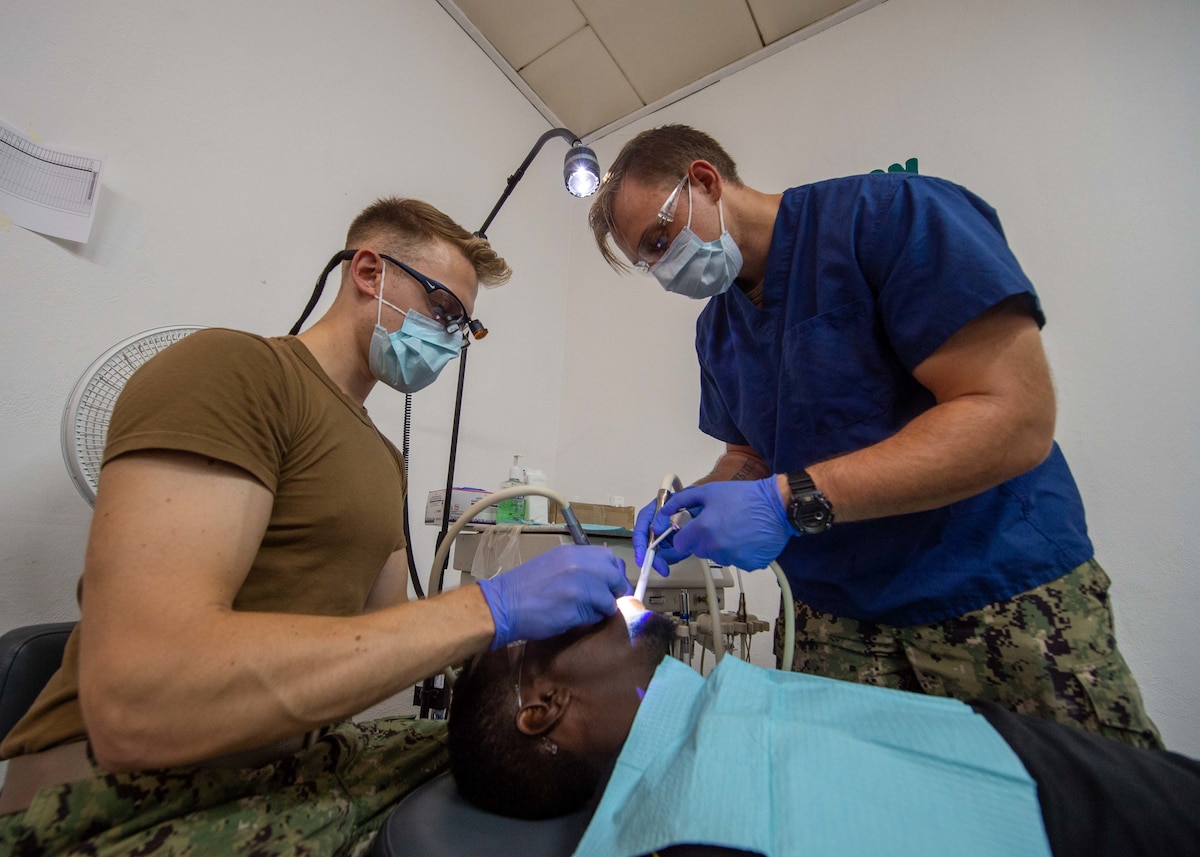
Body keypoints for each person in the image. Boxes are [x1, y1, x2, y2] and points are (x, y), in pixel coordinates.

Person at [0, 197, 629, 853]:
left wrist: (539, 642)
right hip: (116, 796)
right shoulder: (236, 373)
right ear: (368, 272)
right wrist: (491, 606)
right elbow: (140, 699)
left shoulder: (385, 461)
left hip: (282, 769)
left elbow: (380, 641)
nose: (450, 338)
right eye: (444, 310)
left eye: (464, 327)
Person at [588, 124, 1160, 747]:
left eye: (661, 238)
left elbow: (1012, 415)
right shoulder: (716, 332)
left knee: (1078, 814)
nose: (666, 269)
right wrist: (689, 508)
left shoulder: (890, 217)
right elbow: (750, 455)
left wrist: (787, 501)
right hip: (833, 622)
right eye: (649, 262)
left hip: (993, 593)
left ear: (703, 180)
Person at [447, 602, 1200, 857]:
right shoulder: (688, 831)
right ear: (541, 706)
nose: (605, 600)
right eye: (559, 618)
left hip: (1038, 757)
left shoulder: (712, 707)